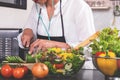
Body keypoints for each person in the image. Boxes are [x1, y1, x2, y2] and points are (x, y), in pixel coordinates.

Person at [17, 0, 95, 54]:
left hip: (72, 71)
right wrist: (27, 32)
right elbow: (29, 27)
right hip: (43, 70)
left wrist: (56, 45)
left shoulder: (79, 7)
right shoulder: (37, 5)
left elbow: (90, 48)